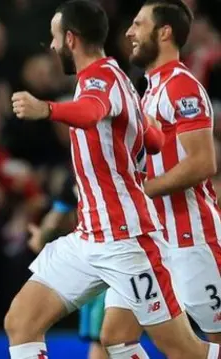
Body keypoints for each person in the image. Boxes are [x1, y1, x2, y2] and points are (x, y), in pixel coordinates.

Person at [4, 1, 220, 358]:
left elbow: (92, 112)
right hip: (92, 237)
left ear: (70, 39)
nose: (52, 46)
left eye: (54, 38)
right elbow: (153, 141)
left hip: (131, 240)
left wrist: (47, 109)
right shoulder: (131, 85)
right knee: (25, 322)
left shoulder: (104, 80)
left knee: (186, 351)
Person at [100, 0, 221, 357]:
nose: (129, 32)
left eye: (138, 24)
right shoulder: (149, 90)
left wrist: (142, 191)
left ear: (164, 32)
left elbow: (202, 163)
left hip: (191, 237)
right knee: (116, 337)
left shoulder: (181, 87)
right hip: (150, 238)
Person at [28, 172, 108, 359]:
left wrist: (40, 238)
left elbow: (54, 220)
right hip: (121, 261)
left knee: (106, 340)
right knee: (108, 341)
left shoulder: (76, 173)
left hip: (99, 263)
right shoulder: (128, 163)